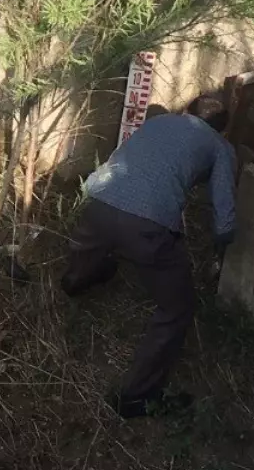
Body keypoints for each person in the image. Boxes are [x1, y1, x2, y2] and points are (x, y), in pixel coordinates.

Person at [61, 95, 237, 419]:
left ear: (186, 111)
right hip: (146, 225)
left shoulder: (157, 121)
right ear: (222, 129)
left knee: (98, 239)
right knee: (177, 308)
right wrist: (223, 244)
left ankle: (74, 282)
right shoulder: (219, 146)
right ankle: (135, 398)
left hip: (97, 199)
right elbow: (224, 214)